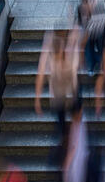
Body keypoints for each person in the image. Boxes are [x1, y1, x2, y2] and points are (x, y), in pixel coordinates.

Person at [35, 28, 82, 164]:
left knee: (66, 127)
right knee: (66, 128)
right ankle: (69, 152)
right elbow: (41, 75)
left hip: (63, 99)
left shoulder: (61, 60)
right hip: (61, 99)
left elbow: (41, 74)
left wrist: (38, 99)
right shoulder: (63, 60)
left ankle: (70, 149)